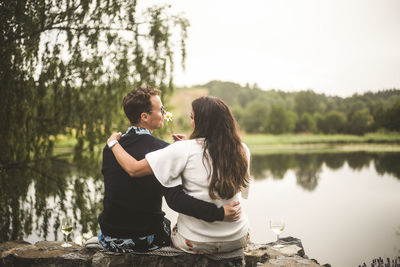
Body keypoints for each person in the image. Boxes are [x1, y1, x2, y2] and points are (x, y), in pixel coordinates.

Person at [98, 87, 241, 253]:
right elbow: (176, 199)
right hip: (146, 239)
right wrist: (218, 213)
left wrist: (183, 148)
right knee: (166, 225)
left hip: (110, 237)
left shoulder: (111, 147)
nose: (164, 113)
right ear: (144, 117)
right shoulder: (162, 149)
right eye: (161, 110)